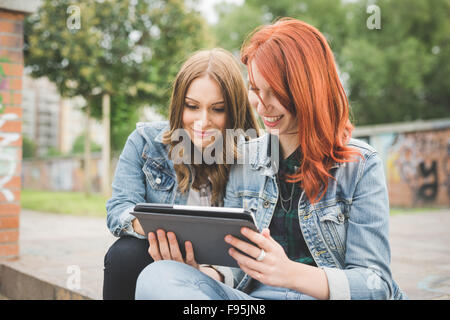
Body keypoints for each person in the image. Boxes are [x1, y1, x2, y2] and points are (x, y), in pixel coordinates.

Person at [135, 18, 408, 300]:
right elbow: (236, 265)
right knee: (158, 276)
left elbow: (376, 286)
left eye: (274, 91)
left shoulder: (361, 165)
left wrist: (289, 273)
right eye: (254, 88)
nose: (262, 105)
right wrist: (206, 275)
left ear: (308, 88)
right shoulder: (244, 157)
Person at [103, 48, 260, 300]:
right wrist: (159, 230)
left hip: (220, 268)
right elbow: (118, 210)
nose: (202, 121)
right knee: (124, 254)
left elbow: (253, 244)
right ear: (179, 104)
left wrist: (210, 274)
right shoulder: (144, 143)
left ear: (234, 111)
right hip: (157, 249)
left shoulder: (251, 155)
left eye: (217, 109)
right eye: (192, 106)